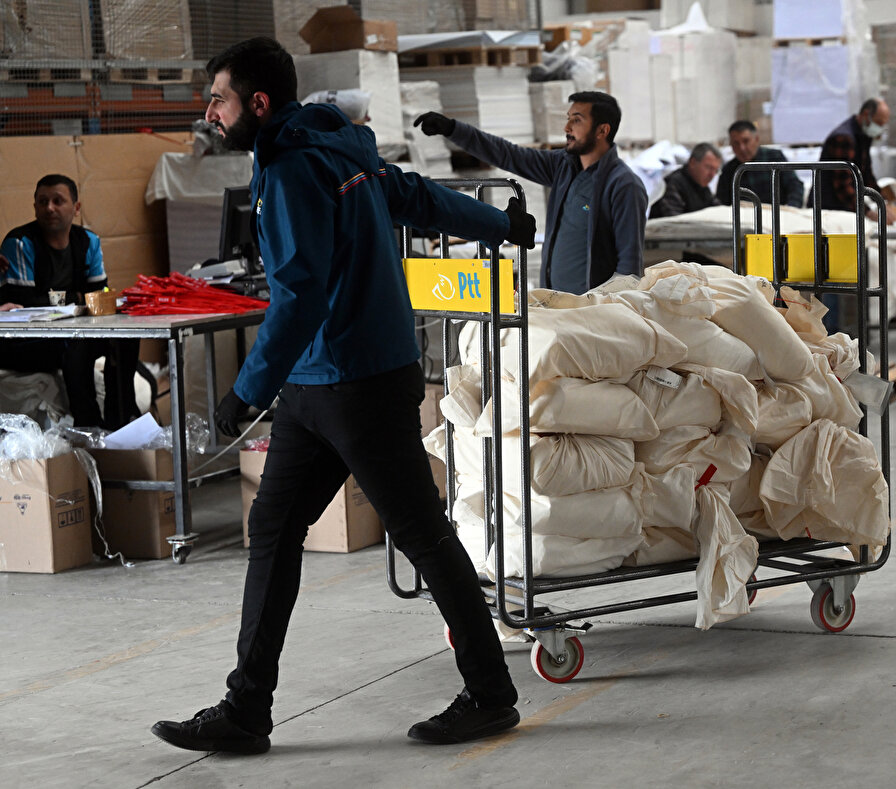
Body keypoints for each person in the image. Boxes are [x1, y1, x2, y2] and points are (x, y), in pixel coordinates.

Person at [151, 37, 534, 755]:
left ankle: (490, 694)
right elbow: (413, 195)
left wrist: (245, 390)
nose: (210, 113)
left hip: (354, 381)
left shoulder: (293, 167)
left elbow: (299, 294)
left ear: (258, 103)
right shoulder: (335, 146)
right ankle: (246, 709)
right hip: (321, 384)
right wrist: (500, 223)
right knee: (274, 529)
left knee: (420, 531)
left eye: (219, 100)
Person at [413, 91, 647, 295]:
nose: (567, 128)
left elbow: (629, 267)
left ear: (602, 130)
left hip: (592, 314)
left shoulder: (623, 185)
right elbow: (508, 154)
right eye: (568, 119)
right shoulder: (563, 166)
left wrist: (612, 314)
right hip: (556, 304)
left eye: (577, 120)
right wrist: (453, 130)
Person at [0, 174, 139, 428]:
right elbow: (22, 303)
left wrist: (78, 299)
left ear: (76, 208)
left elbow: (98, 296)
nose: (49, 208)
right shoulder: (19, 242)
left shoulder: (88, 241)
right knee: (76, 342)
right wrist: (76, 297)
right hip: (23, 341)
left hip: (69, 333)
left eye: (57, 201)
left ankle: (122, 418)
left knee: (125, 337)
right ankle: (88, 424)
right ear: (34, 207)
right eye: (42, 202)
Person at [812, 98, 896, 222]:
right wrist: (867, 212)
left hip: (843, 208)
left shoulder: (863, 136)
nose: (880, 128)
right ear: (866, 115)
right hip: (828, 210)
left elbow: (866, 175)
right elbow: (842, 185)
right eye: (878, 123)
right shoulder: (844, 138)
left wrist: (881, 201)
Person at [715, 120, 805, 209]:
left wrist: (791, 208)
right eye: (736, 143)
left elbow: (795, 186)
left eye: (746, 141)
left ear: (757, 139)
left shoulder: (774, 158)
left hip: (777, 214)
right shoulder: (729, 170)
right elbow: (722, 202)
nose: (742, 148)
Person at [650, 142, 722, 218]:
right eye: (708, 168)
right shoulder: (673, 184)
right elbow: (674, 220)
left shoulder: (702, 186)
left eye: (716, 170)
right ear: (693, 162)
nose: (712, 175)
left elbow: (717, 209)